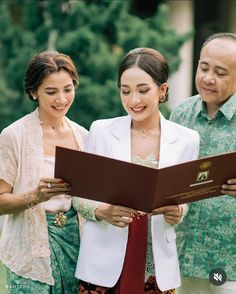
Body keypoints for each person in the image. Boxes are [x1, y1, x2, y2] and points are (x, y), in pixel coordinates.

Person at [73, 48, 200, 294]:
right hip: (102, 263)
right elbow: (78, 194)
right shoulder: (100, 131)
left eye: (143, 90)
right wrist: (102, 211)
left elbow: (185, 198)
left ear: (162, 90)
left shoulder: (187, 140)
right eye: (125, 91)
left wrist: (179, 212)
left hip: (157, 266)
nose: (133, 100)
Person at [0, 50, 88, 293]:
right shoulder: (13, 136)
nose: (61, 99)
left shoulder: (83, 137)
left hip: (76, 243)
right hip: (28, 248)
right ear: (33, 92)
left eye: (68, 89)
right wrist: (36, 196)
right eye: (51, 92)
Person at [170, 32, 236, 294]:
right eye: (204, 67)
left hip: (229, 257)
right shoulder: (181, 113)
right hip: (183, 252)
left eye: (220, 72)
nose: (208, 78)